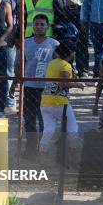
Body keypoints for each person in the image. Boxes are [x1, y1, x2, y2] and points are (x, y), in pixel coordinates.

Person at [22, 14, 59, 156]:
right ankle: (30, 150)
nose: (39, 27)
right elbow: (21, 63)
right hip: (29, 86)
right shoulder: (26, 43)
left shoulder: (54, 44)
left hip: (46, 88)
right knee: (29, 120)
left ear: (47, 27)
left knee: (45, 120)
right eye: (36, 24)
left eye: (42, 24)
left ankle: (43, 149)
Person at [39, 41, 83, 154]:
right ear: (71, 53)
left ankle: (42, 151)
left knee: (49, 129)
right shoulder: (65, 65)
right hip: (59, 102)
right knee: (72, 126)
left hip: (45, 101)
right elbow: (63, 84)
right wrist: (76, 84)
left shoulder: (52, 63)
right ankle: (73, 149)